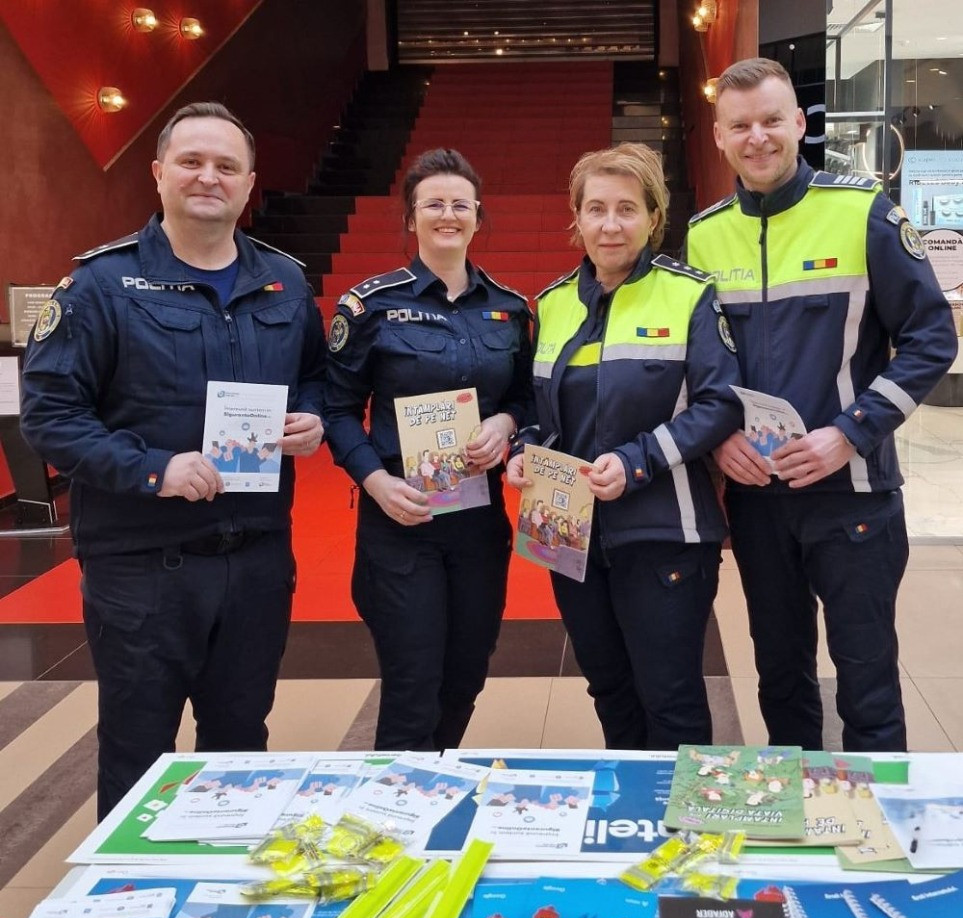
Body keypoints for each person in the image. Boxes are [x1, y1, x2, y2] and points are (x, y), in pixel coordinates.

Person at [19, 101, 325, 819]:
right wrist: (156, 470)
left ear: (249, 184)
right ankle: (130, 883)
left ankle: (223, 880)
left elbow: (314, 375)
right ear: (158, 174)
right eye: (191, 161)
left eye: (226, 165)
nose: (208, 177)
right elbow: (51, 417)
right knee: (138, 752)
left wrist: (311, 418)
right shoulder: (100, 286)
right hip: (142, 569)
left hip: (255, 561)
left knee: (239, 745)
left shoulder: (285, 282)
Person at [685, 58, 957, 752]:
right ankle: (797, 799)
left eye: (771, 120)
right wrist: (719, 440)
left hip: (852, 494)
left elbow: (931, 338)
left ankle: (879, 815)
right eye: (739, 125)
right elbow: (698, 365)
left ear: (799, 123)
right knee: (780, 674)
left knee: (866, 679)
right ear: (718, 136)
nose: (757, 138)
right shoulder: (703, 235)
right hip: (757, 498)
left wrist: (850, 431)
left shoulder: (862, 212)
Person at [506, 143, 742, 751]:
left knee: (670, 695)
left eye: (627, 209)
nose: (610, 224)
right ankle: (634, 804)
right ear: (577, 217)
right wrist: (524, 447)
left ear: (653, 217)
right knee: (608, 687)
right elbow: (537, 405)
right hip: (570, 532)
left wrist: (636, 461)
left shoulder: (689, 294)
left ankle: (678, 810)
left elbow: (719, 404)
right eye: (596, 209)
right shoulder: (552, 302)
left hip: (665, 531)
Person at [323, 147, 532, 751]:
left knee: (465, 676)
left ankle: (436, 782)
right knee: (413, 686)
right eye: (433, 203)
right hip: (400, 520)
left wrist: (505, 423)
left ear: (478, 217)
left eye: (460, 205)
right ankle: (395, 801)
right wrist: (375, 482)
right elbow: (336, 409)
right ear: (411, 218)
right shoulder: (370, 306)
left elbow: (525, 397)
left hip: (478, 521)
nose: (447, 215)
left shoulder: (509, 308)